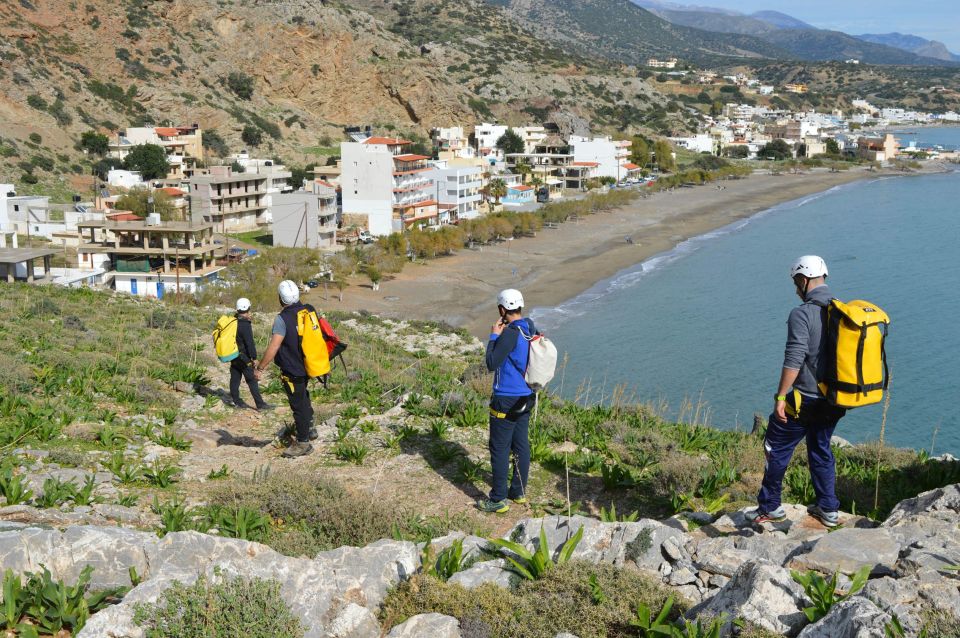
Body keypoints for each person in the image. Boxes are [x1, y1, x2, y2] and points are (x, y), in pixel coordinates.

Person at [749, 256, 846, 528]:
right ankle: (828, 509)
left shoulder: (802, 313)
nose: (795, 289)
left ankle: (770, 507)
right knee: (820, 448)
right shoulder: (841, 310)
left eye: (795, 282)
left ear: (804, 280)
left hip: (805, 399)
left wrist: (781, 396)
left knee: (776, 445)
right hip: (835, 400)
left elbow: (794, 357)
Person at [477, 289, 537, 514]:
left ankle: (498, 499)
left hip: (505, 398)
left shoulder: (510, 333)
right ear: (520, 307)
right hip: (527, 395)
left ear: (502, 309)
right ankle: (518, 491)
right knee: (521, 445)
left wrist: (494, 335)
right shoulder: (530, 327)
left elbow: (491, 362)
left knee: (500, 447)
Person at [254, 281, 316, 458]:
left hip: (292, 368)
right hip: (308, 364)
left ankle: (303, 442)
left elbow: (274, 347)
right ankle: (309, 428)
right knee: (304, 396)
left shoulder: (282, 319)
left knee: (298, 405)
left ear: (281, 299)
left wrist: (260, 368)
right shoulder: (309, 309)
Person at [229, 298, 273, 411]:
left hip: (234, 355)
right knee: (252, 380)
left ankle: (236, 401)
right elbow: (250, 343)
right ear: (248, 308)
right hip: (244, 357)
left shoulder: (233, 321)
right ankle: (260, 405)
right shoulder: (245, 324)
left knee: (235, 378)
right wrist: (254, 358)